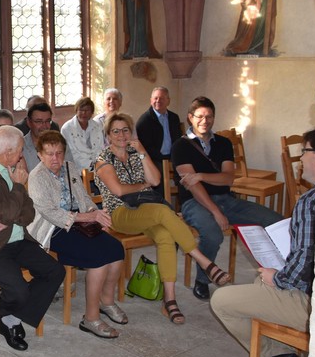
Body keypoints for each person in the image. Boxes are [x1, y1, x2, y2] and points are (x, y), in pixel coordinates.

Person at [211, 126, 315, 357]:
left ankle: (278, 356)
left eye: (305, 151)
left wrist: (279, 277)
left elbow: (305, 263)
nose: (301, 158)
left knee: (223, 301)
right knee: (260, 281)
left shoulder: (312, 201)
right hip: (311, 290)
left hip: (312, 303)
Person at [93, 113, 230, 325]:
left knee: (166, 234)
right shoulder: (103, 160)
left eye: (125, 130)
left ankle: (170, 299)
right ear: (108, 135)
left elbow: (155, 180)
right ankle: (203, 260)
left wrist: (142, 151)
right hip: (119, 215)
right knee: (163, 212)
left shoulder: (135, 152)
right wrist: (141, 186)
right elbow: (119, 191)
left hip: (144, 210)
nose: (121, 135)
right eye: (116, 131)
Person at [0, 126, 65, 351]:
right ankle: (8, 316)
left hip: (17, 239)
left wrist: (9, 217)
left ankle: (11, 316)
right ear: (8, 152)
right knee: (19, 290)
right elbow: (6, 213)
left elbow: (28, 214)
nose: (22, 155)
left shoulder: (13, 167)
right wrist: (18, 187)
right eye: (20, 149)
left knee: (55, 271)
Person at [171, 97, 282, 300]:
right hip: (194, 203)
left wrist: (202, 175)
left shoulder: (223, 143)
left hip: (226, 199)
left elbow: (228, 178)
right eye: (200, 116)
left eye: (209, 116)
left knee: (275, 221)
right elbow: (193, 186)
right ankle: (202, 280)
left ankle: (281, 276)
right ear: (190, 118)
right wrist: (215, 212)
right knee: (213, 233)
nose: (205, 120)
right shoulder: (180, 146)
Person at [27, 131, 125, 338]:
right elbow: (49, 212)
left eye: (59, 153)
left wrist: (96, 215)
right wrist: (84, 217)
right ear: (39, 155)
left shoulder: (69, 168)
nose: (55, 159)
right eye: (50, 154)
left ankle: (106, 302)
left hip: (80, 223)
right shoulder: (36, 177)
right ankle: (90, 318)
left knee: (116, 249)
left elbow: (83, 197)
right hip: (52, 230)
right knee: (98, 259)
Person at [136, 86, 183, 192]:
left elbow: (178, 140)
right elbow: (146, 148)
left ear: (168, 101)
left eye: (161, 98)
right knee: (159, 175)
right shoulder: (145, 120)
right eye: (155, 98)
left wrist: (175, 156)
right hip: (154, 159)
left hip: (172, 157)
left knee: (187, 168)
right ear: (151, 100)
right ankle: (162, 203)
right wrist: (164, 159)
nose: (158, 101)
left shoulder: (174, 118)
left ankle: (184, 202)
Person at [60, 97, 103, 173]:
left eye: (87, 110)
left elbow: (100, 148)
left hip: (98, 168)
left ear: (92, 112)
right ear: (76, 111)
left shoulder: (97, 126)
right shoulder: (67, 128)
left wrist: (99, 164)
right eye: (81, 110)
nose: (84, 113)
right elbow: (71, 154)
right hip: (76, 171)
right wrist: (91, 165)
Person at [21, 102, 54, 171]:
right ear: (29, 122)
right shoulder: (21, 147)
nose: (44, 126)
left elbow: (69, 171)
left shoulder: (60, 143)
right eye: (39, 121)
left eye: (48, 121)